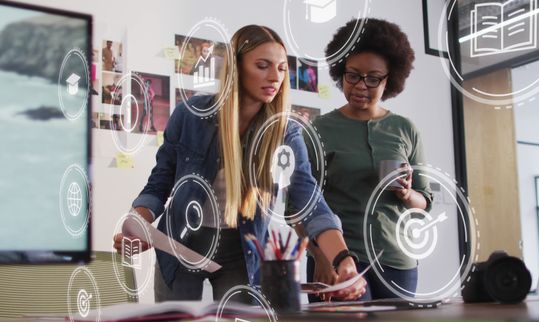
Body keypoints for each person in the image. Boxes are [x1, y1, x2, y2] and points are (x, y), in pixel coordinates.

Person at [113, 25, 366, 302]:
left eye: (282, 69)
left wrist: (343, 259)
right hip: (180, 243)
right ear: (236, 67)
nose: (275, 77)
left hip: (241, 249)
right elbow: (159, 184)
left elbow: (309, 199)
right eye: (262, 65)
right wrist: (138, 221)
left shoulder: (285, 133)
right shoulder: (189, 115)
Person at [305, 19, 432, 301]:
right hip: (338, 258)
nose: (361, 86)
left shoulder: (405, 128)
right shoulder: (319, 130)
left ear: (390, 80)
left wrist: (407, 193)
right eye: (353, 75)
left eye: (373, 78)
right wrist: (321, 257)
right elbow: (301, 205)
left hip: (397, 260)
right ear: (341, 73)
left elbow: (425, 202)